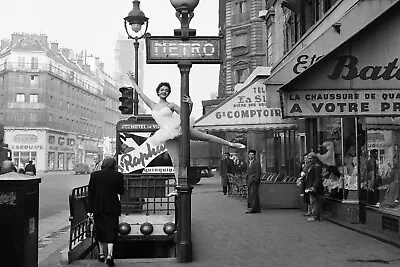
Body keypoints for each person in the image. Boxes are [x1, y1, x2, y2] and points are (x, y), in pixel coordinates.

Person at [127, 72, 245, 189]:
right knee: (175, 161)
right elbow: (140, 93)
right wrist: (132, 81)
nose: (164, 92)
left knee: (205, 137)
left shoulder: (171, 105)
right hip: (166, 134)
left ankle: (230, 143)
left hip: (178, 127)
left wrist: (191, 105)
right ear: (158, 92)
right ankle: (179, 186)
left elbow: (185, 115)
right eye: (162, 90)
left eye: (166, 90)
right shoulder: (152, 105)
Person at [87, 158, 125, 266]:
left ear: (103, 164)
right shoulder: (118, 176)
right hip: (112, 207)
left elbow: (91, 193)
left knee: (100, 230)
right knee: (111, 230)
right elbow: (121, 191)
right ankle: (110, 255)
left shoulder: (95, 175)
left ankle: (101, 254)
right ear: (114, 165)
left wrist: (90, 210)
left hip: (98, 207)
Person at [304, 152, 323, 222]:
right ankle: (314, 215)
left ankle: (315, 216)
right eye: (308, 158)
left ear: (314, 159)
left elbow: (317, 178)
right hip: (310, 186)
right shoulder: (311, 166)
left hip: (313, 187)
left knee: (314, 201)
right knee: (312, 201)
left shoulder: (316, 166)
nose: (309, 160)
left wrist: (314, 186)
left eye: (310, 158)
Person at [245, 149, 261, 214]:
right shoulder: (249, 162)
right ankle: (254, 208)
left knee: (254, 195)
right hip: (249, 180)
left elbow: (258, 172)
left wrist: (255, 180)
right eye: (250, 155)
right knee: (251, 195)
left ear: (254, 155)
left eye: (252, 155)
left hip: (254, 181)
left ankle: (254, 209)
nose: (251, 156)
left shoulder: (256, 162)